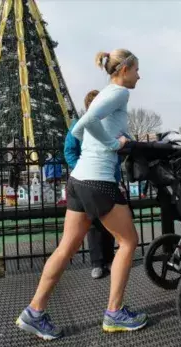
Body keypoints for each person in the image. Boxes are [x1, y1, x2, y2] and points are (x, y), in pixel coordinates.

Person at [16, 49, 146, 340]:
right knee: (128, 242)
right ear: (124, 69)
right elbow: (85, 124)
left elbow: (77, 132)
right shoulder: (119, 94)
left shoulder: (102, 95)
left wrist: (102, 143)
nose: (140, 75)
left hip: (78, 180)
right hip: (98, 181)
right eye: (137, 69)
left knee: (66, 247)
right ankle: (115, 312)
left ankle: (35, 312)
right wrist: (113, 144)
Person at [65, 89, 117, 279]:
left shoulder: (108, 125)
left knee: (109, 221)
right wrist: (84, 168)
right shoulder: (78, 125)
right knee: (94, 224)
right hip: (87, 180)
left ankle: (109, 259)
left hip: (108, 179)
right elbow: (70, 151)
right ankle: (97, 262)